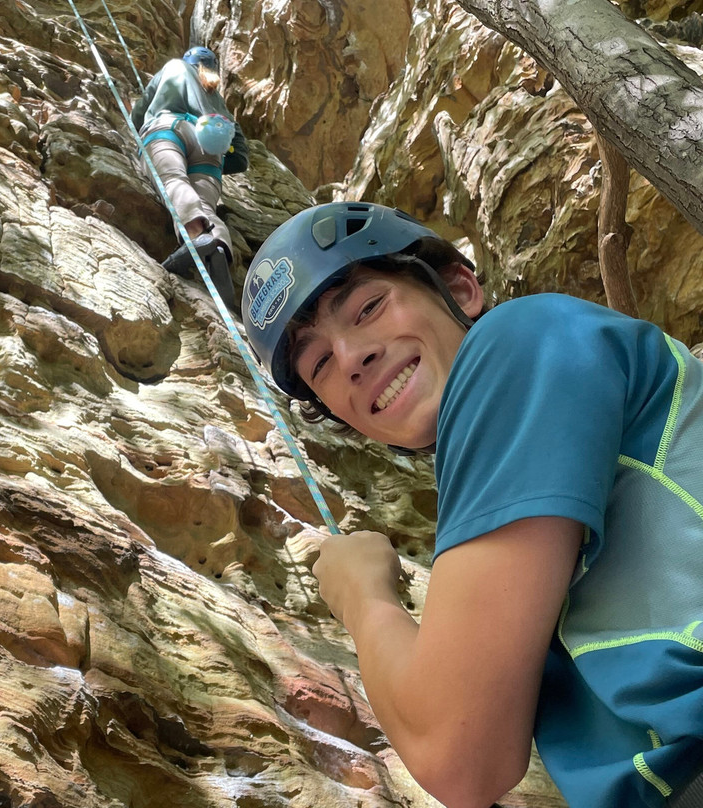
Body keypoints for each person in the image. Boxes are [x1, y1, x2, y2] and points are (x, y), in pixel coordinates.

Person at [241, 201, 703, 808]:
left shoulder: (519, 340)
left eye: (368, 307)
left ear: (459, 286)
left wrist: (362, 596)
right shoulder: (528, 461)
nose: (351, 357)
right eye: (320, 363)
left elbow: (459, 753)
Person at [131, 46, 249, 311]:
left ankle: (196, 236)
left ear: (190, 61)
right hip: (210, 152)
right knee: (207, 206)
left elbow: (137, 115)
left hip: (169, 128)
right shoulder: (220, 104)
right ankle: (218, 247)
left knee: (173, 180)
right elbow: (241, 158)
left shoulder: (175, 67)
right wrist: (217, 163)